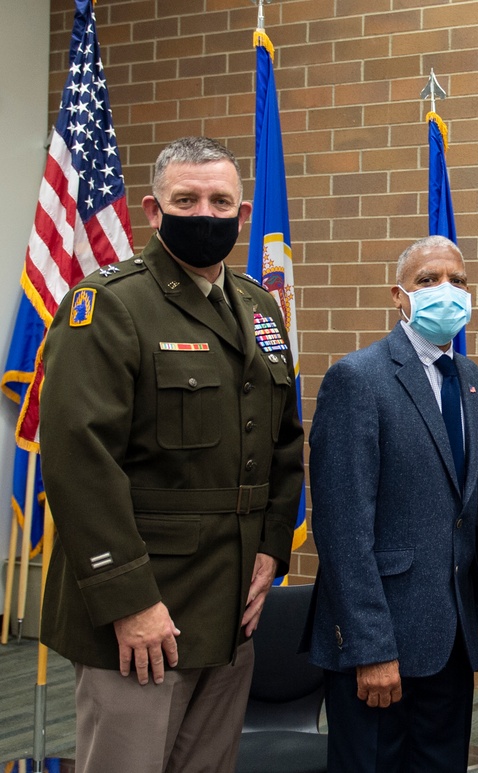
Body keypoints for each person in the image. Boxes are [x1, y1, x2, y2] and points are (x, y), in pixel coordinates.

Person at [39, 136, 304, 773]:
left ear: (243, 217)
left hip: (231, 604)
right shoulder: (109, 304)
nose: (204, 214)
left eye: (221, 202)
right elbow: (80, 461)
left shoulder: (259, 307)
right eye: (186, 200)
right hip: (139, 608)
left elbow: (283, 441)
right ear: (154, 212)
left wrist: (271, 548)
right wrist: (130, 601)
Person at [306, 235, 478, 772]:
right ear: (399, 296)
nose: (446, 292)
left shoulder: (475, 384)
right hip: (380, 646)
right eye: (428, 280)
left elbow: (470, 513)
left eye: (458, 282)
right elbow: (342, 529)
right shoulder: (358, 379)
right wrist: (370, 648)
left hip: (452, 642)